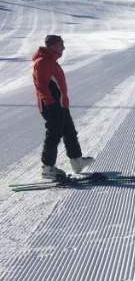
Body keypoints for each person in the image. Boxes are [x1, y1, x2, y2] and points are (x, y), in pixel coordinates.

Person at [33, 35, 94, 180]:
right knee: (54, 134)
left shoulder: (51, 61)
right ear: (54, 47)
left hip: (59, 104)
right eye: (61, 46)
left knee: (70, 132)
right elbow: (41, 85)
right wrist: (51, 104)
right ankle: (48, 168)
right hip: (51, 105)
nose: (63, 48)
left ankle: (77, 162)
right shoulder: (42, 62)